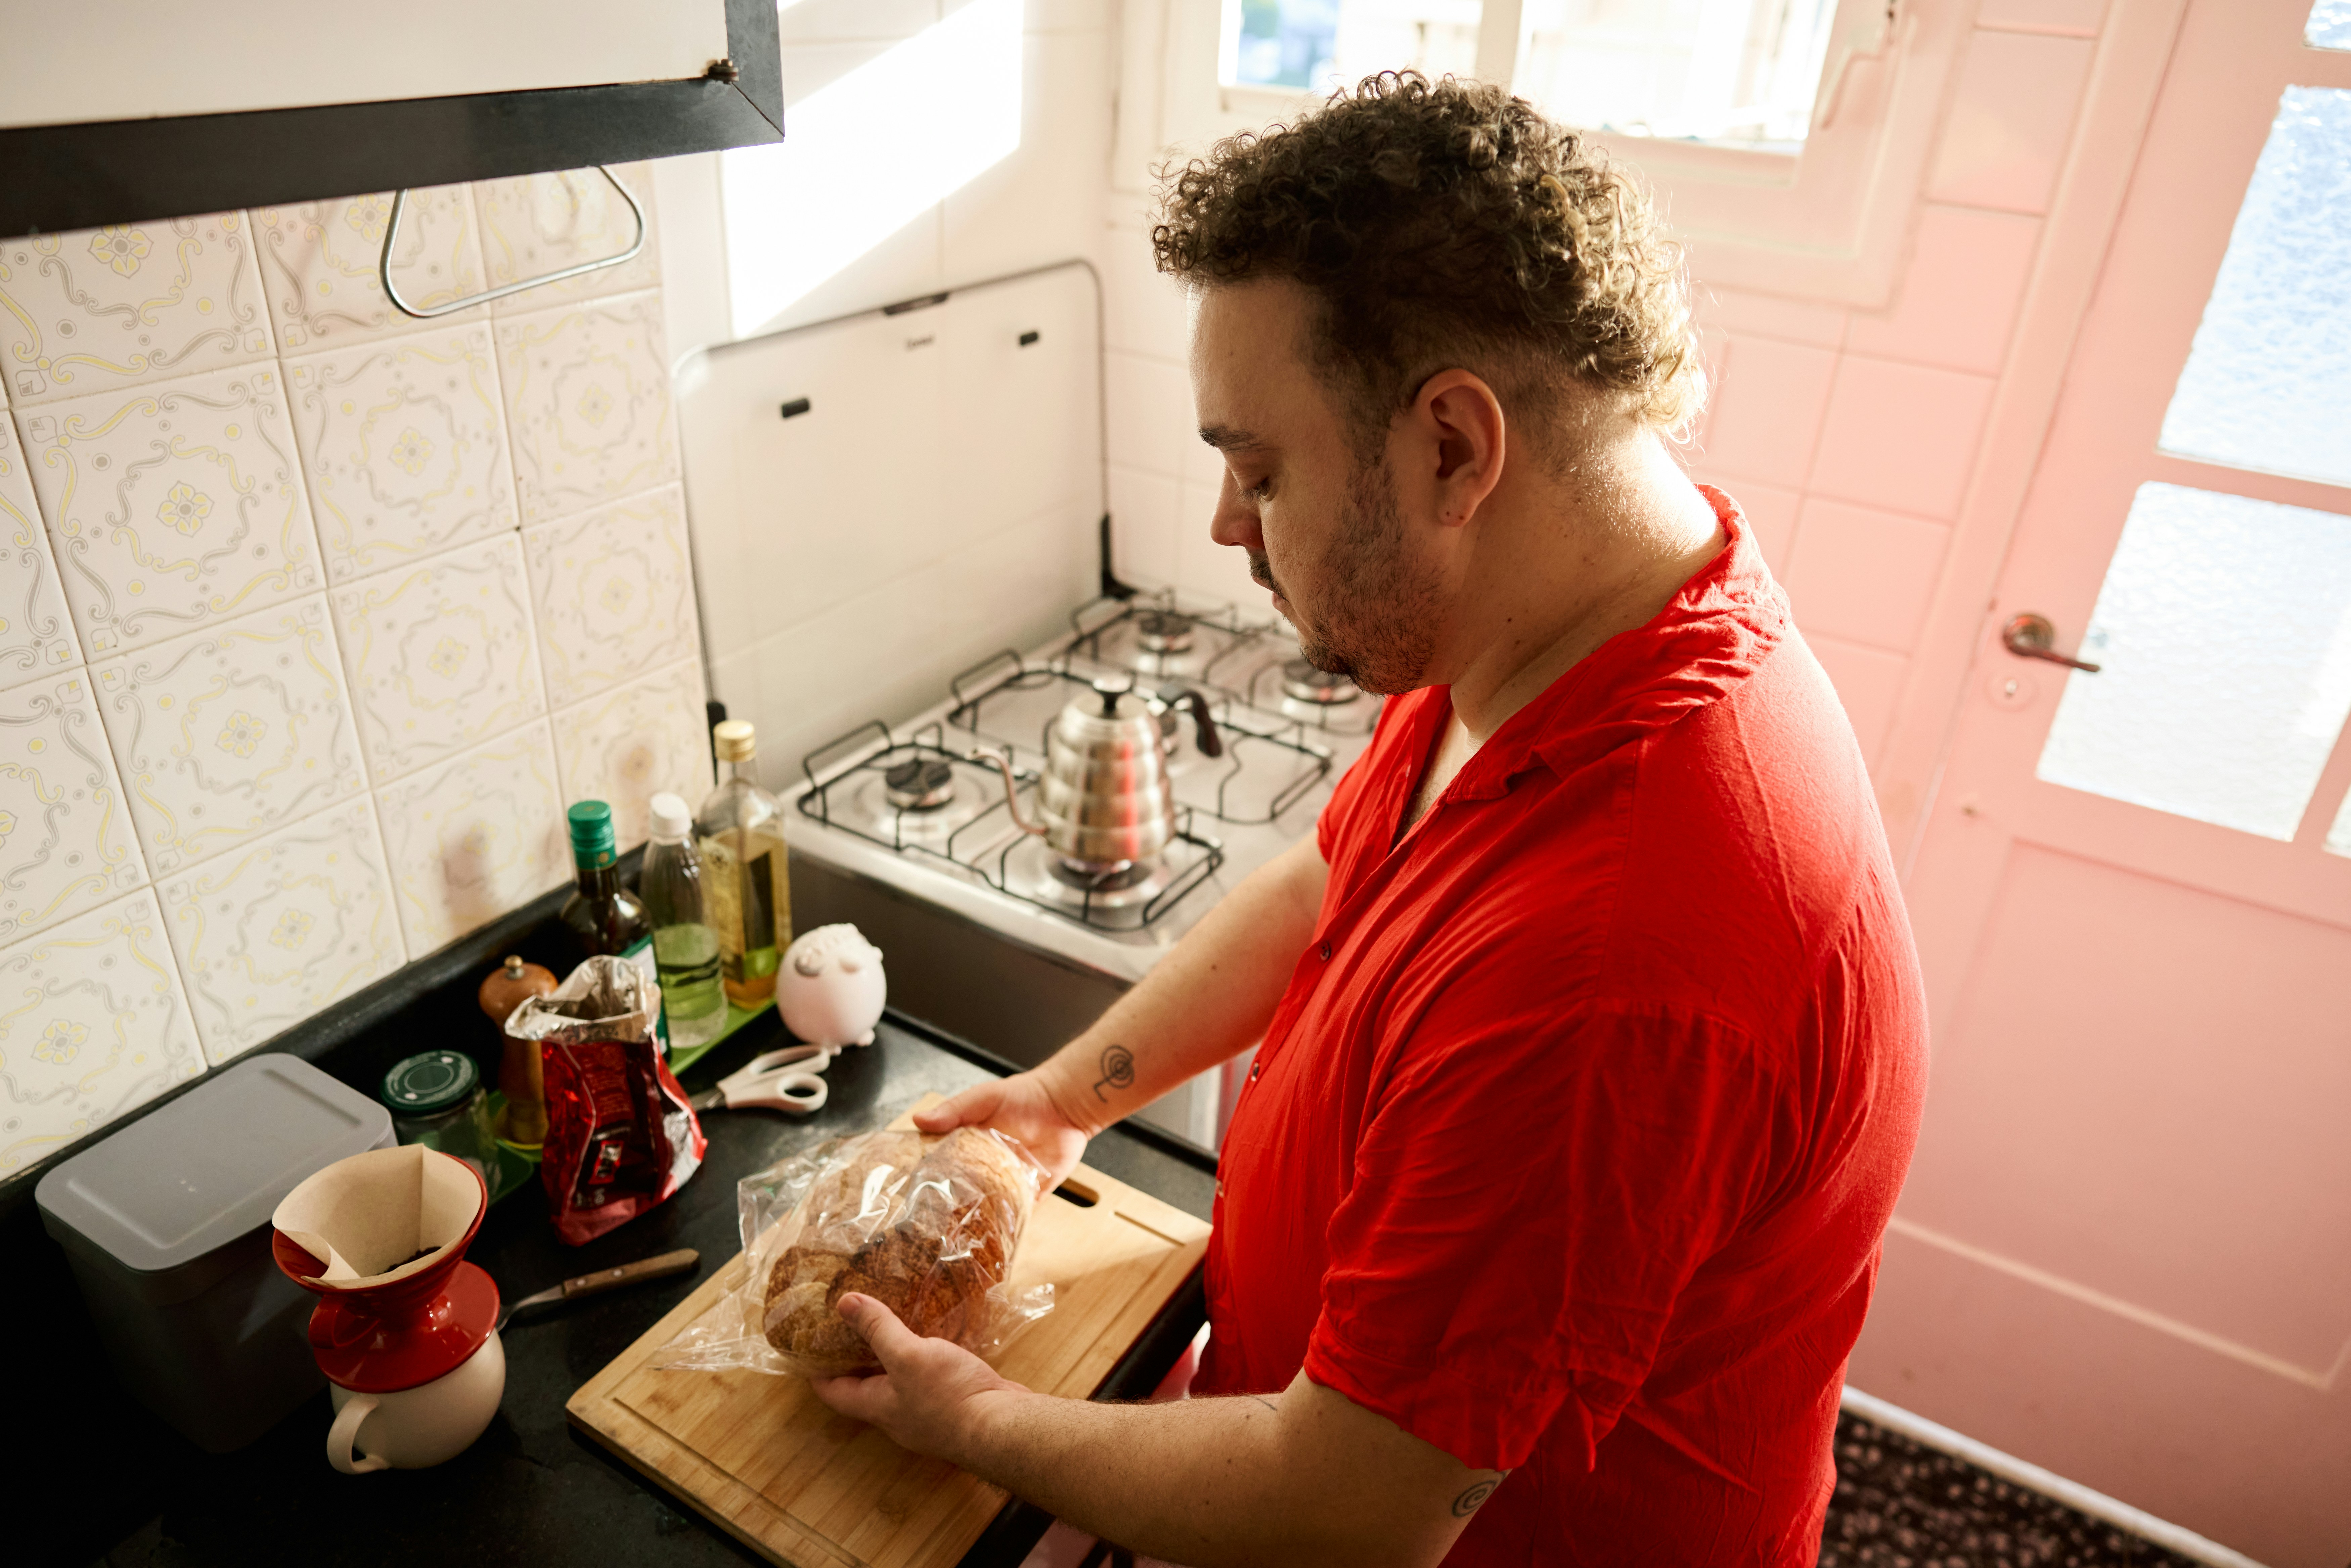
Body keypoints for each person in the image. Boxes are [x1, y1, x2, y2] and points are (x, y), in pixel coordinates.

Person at [809, 72, 1928, 1567]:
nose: (1225, 524)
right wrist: (1064, 1095)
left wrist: (976, 1421)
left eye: (1258, 470)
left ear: (1454, 450)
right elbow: (1339, 874)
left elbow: (1348, 1510)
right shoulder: (1567, 628)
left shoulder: (1610, 962)